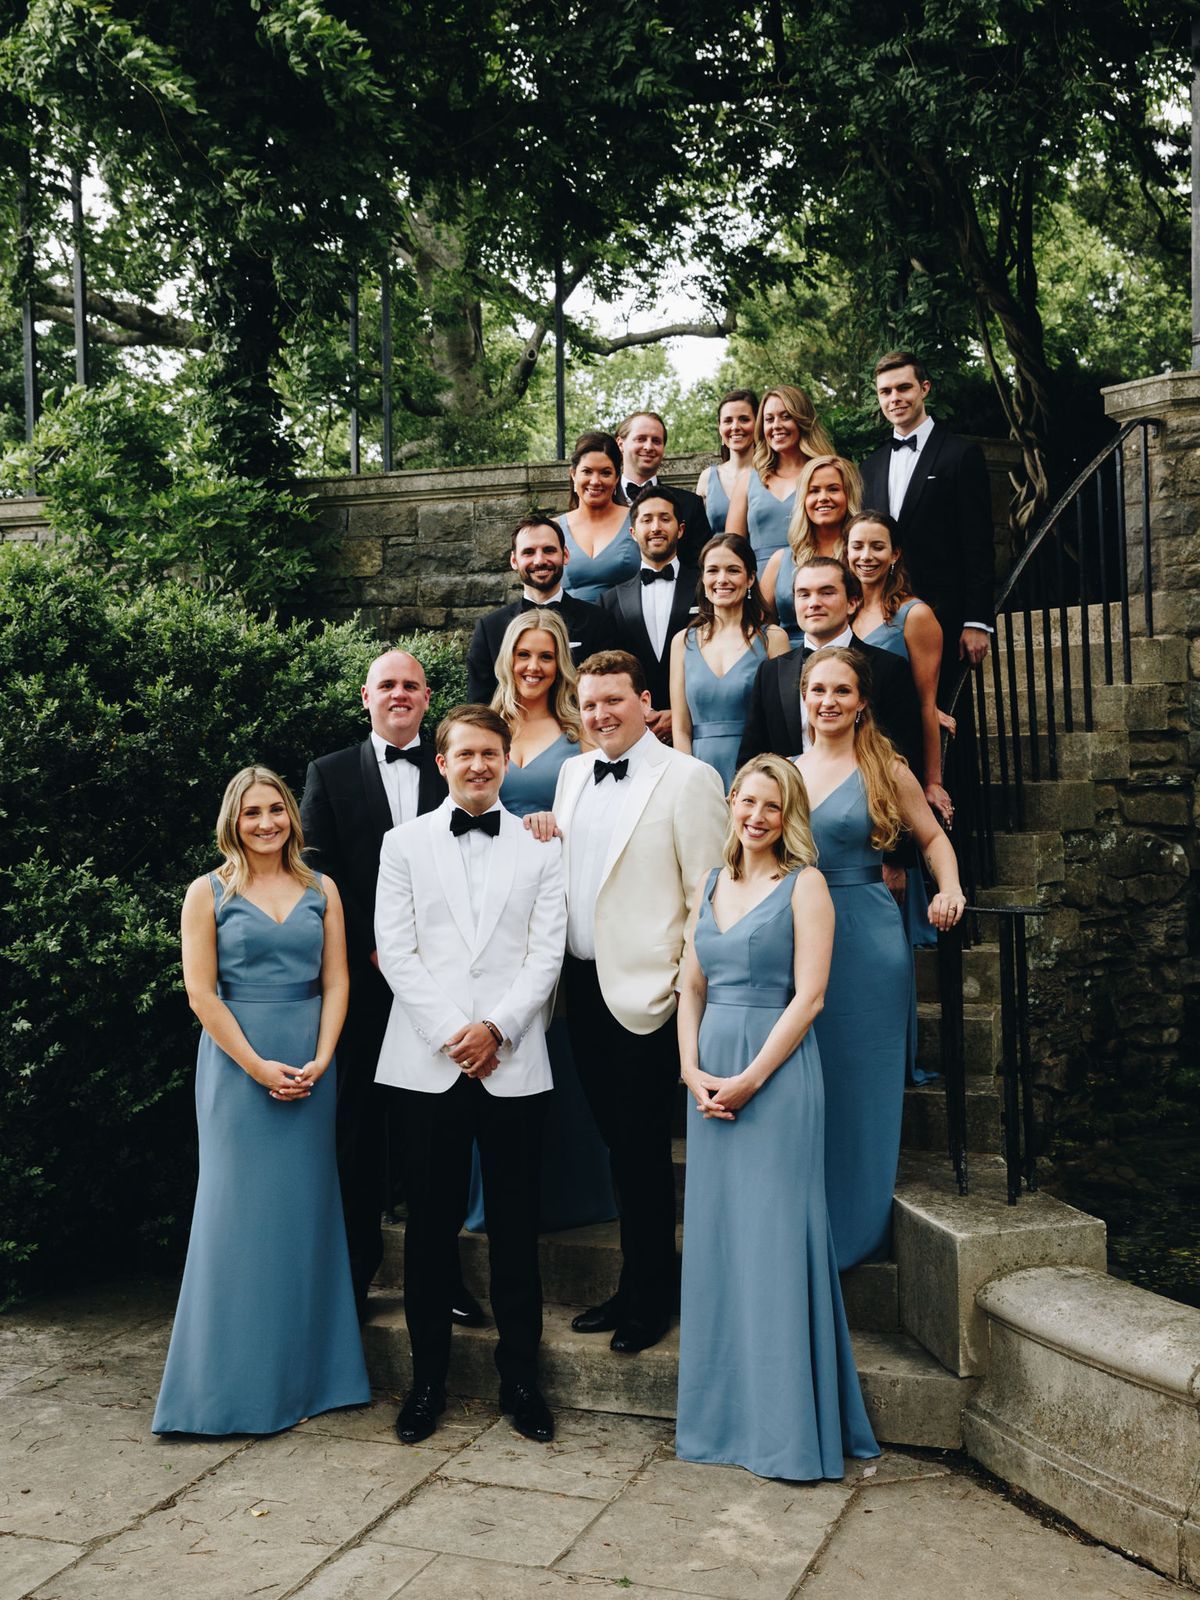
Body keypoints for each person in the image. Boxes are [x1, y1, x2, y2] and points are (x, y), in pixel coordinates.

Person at [675, 754, 879, 1480]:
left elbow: (811, 997)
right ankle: (722, 1420)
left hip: (777, 1076)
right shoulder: (710, 881)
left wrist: (750, 1078)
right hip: (709, 1079)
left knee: (774, 1240)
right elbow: (690, 986)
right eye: (747, 802)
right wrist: (691, 1068)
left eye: (771, 806)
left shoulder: (807, 885)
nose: (756, 817)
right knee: (722, 1245)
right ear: (731, 802)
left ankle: (787, 1432)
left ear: (787, 814)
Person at [154, 768, 369, 1435]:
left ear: (291, 817)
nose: (268, 823)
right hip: (238, 1070)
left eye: (277, 810)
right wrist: (256, 1067)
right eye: (253, 814)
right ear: (233, 821)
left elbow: (337, 980)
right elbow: (201, 994)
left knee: (306, 1215)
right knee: (235, 1216)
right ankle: (224, 1388)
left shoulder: (321, 889)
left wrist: (323, 1057)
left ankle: (316, 1377)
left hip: (310, 1062)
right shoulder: (207, 892)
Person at [374, 706, 567, 1446]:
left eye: (491, 754)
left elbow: (544, 956)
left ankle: (520, 1379)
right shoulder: (403, 844)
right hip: (428, 1064)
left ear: (506, 760)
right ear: (443, 762)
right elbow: (398, 951)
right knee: (428, 1230)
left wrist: (499, 1030)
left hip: (514, 1063)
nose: (479, 766)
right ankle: (427, 1383)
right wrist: (457, 1034)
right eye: (465, 755)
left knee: (517, 1228)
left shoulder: (541, 847)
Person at [549, 651, 727, 1353]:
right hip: (584, 991)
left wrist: (686, 993)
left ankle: (652, 1298)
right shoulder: (570, 773)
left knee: (645, 1152)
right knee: (619, 1150)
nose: (599, 715)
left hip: (652, 996)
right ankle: (631, 1283)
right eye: (589, 704)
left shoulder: (689, 779)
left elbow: (706, 901)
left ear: (644, 700)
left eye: (613, 701)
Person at [301, 651, 481, 1327]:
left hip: (440, 990)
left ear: (427, 697)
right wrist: (369, 948)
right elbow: (320, 877)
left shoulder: (453, 771)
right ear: (365, 696)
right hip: (362, 988)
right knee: (358, 1135)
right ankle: (355, 1272)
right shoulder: (330, 774)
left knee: (439, 1136)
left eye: (410, 685)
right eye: (388, 685)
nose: (399, 694)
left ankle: (446, 1277)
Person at [795, 647, 965, 1269]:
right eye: (818, 690)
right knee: (807, 1084)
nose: (829, 702)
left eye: (842, 691)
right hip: (797, 937)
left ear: (862, 700)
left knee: (862, 1084)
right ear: (804, 698)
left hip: (866, 936)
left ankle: (855, 1226)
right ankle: (801, 1220)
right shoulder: (782, 771)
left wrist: (949, 888)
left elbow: (932, 839)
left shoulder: (883, 768)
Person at [461, 611, 615, 1232]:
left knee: (550, 1038)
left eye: (546, 657)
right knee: (489, 1035)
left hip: (553, 898)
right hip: (484, 903)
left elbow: (603, 814)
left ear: (561, 664)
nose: (533, 667)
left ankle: (567, 1193)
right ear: (506, 658)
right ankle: (490, 1194)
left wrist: (560, 825)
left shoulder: (580, 730)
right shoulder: (483, 725)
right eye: (523, 654)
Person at [858, 351, 995, 697]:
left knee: (947, 723)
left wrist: (977, 621)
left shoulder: (960, 455)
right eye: (885, 392)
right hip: (883, 619)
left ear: (924, 388)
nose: (894, 398)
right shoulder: (870, 467)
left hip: (944, 617)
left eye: (903, 388)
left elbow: (978, 542)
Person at [736, 557, 923, 788]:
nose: (813, 603)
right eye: (804, 594)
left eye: (826, 593)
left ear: (852, 603)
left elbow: (906, 755)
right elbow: (752, 757)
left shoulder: (889, 668)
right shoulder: (771, 672)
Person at [671, 533, 789, 790]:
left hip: (757, 774)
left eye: (733, 570)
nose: (722, 579)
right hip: (698, 772)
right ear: (703, 579)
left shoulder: (773, 639)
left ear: (750, 578)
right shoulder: (683, 642)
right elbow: (680, 728)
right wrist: (689, 782)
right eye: (713, 570)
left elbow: (781, 725)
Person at [466, 514, 618, 705]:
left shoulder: (599, 622)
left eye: (549, 550)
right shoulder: (490, 628)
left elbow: (609, 691)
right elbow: (479, 704)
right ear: (514, 561)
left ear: (565, 555)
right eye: (528, 552)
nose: (539, 560)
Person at [599, 484, 699, 742]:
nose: (656, 527)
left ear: (681, 529)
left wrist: (678, 714)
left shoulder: (706, 589)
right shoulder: (610, 601)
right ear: (633, 532)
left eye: (665, 519)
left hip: (697, 728)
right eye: (647, 520)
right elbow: (610, 670)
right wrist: (645, 712)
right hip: (636, 731)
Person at [724, 385, 837, 569]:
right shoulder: (748, 480)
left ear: (802, 420)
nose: (776, 426)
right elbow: (731, 550)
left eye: (786, 417)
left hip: (814, 578)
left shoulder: (826, 474)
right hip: (758, 585)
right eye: (769, 419)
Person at [760, 454, 863, 644]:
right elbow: (761, 628)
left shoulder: (861, 558)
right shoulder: (780, 561)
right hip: (789, 663)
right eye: (814, 491)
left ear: (849, 495)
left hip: (853, 661)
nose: (823, 498)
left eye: (833, 489)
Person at [615, 410, 711, 565]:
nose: (648, 446)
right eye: (640, 439)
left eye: (656, 441)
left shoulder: (690, 505)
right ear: (620, 443)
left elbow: (701, 568)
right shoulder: (603, 502)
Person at [558, 430, 639, 603]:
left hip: (626, 627)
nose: (595, 481)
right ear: (573, 474)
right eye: (587, 471)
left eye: (605, 473)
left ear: (617, 477)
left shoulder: (639, 521)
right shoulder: (553, 529)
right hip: (568, 627)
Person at [694, 388, 757, 535]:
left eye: (744, 419)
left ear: (757, 423)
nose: (735, 427)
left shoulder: (772, 473)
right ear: (720, 428)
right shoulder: (707, 477)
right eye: (728, 421)